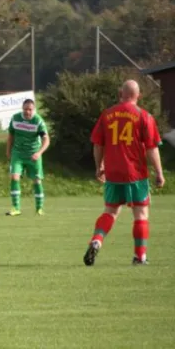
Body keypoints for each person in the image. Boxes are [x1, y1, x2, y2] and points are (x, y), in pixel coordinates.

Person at [83, 79, 165, 266]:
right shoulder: (144, 116)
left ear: (121, 93)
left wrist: (99, 166)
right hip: (136, 174)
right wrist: (159, 173)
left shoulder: (107, 115)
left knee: (110, 212)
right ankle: (140, 256)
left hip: (113, 173)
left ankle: (97, 240)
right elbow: (152, 148)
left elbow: (97, 144)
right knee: (141, 214)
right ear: (139, 95)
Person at [5, 99, 50, 216]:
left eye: (30, 109)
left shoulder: (38, 121)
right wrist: (8, 151)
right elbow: (10, 135)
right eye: (25, 109)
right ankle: (16, 208)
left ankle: (39, 208)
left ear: (33, 109)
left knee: (37, 180)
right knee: (14, 177)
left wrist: (39, 153)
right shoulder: (15, 118)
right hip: (18, 153)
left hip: (33, 154)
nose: (27, 112)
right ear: (22, 109)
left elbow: (46, 139)